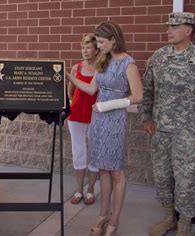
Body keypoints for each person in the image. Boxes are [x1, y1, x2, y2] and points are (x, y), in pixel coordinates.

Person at [139, 12, 195, 236]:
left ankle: (185, 222)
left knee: (186, 180)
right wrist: (146, 116)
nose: (169, 30)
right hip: (161, 131)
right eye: (168, 26)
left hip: (190, 133)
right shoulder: (158, 57)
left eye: (175, 27)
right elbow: (148, 90)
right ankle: (169, 216)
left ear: (189, 30)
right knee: (162, 176)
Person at [66, 21, 143, 236]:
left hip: (115, 120)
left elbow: (138, 95)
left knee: (116, 173)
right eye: (97, 42)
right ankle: (102, 215)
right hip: (98, 119)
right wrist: (69, 77)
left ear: (113, 40)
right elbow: (91, 89)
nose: (98, 46)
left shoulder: (128, 63)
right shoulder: (103, 60)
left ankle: (114, 221)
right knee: (103, 171)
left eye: (101, 42)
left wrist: (108, 105)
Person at [67, 34, 99, 205]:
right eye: (83, 47)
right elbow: (70, 92)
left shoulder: (102, 68)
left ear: (96, 49)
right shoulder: (76, 68)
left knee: (94, 152)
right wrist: (75, 103)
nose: (85, 51)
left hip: (96, 115)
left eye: (88, 47)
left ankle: (91, 190)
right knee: (78, 151)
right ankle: (79, 190)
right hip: (76, 114)